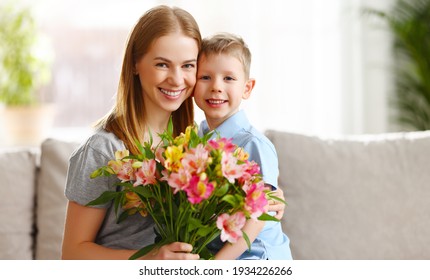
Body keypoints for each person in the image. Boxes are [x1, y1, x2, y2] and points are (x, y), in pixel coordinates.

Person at [62, 5, 285, 260]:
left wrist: (261, 198)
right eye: (162, 64)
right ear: (135, 64)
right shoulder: (104, 149)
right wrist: (150, 259)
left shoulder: (192, 143)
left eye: (188, 65)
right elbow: (71, 255)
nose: (177, 79)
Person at [193, 32, 293, 260]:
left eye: (228, 78)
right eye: (205, 77)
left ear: (247, 88)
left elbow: (257, 219)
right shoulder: (197, 140)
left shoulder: (254, 145)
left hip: (257, 256)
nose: (216, 86)